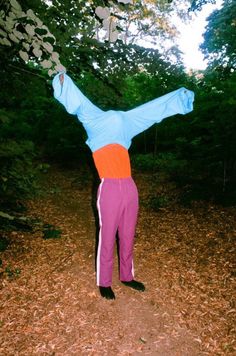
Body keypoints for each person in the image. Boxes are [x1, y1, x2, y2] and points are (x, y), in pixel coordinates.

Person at [52, 72, 194, 300]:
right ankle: (104, 281)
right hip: (108, 188)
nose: (114, 118)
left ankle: (127, 276)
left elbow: (152, 112)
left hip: (129, 187)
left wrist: (179, 96)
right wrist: (63, 81)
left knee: (128, 234)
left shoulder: (125, 128)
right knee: (107, 235)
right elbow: (79, 103)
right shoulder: (94, 124)